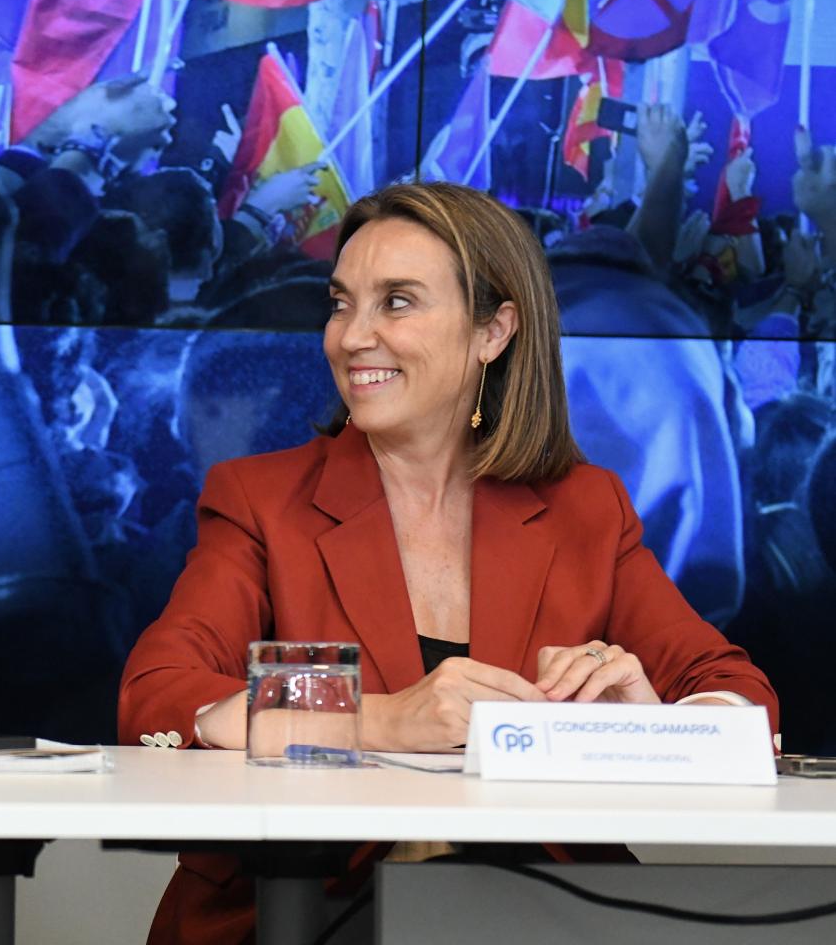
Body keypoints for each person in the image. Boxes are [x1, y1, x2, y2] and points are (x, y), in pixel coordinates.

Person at [117, 182, 777, 945]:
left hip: (535, 906)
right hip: (303, 908)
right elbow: (161, 699)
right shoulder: (260, 498)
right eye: (341, 303)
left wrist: (644, 729)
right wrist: (380, 719)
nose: (351, 336)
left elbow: (742, 702)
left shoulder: (585, 508)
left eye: (396, 302)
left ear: (494, 331)